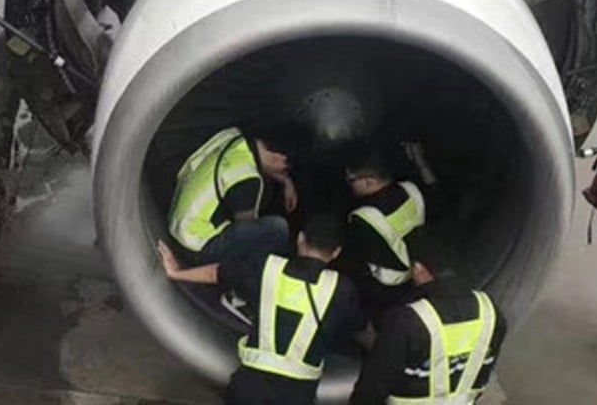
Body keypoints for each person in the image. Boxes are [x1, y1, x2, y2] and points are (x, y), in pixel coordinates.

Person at [158, 214, 367, 405]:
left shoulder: (268, 269)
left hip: (250, 385)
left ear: (300, 239)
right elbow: (356, 327)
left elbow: (216, 273)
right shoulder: (343, 290)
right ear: (336, 253)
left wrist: (178, 272)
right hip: (298, 393)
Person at [350, 230, 507, 404]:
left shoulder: (408, 320)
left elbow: (374, 385)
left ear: (418, 269)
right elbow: (484, 368)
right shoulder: (491, 312)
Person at [167, 124, 299, 265]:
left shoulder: (233, 136)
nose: (283, 171)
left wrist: (286, 181)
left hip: (177, 220)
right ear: (277, 158)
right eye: (285, 169)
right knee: (277, 228)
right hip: (194, 245)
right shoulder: (247, 177)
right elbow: (247, 228)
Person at [342, 150, 426, 319]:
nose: (349, 184)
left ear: (369, 182)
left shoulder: (365, 217)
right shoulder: (411, 189)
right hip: (420, 265)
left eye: (352, 180)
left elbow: (354, 257)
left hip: (390, 285)